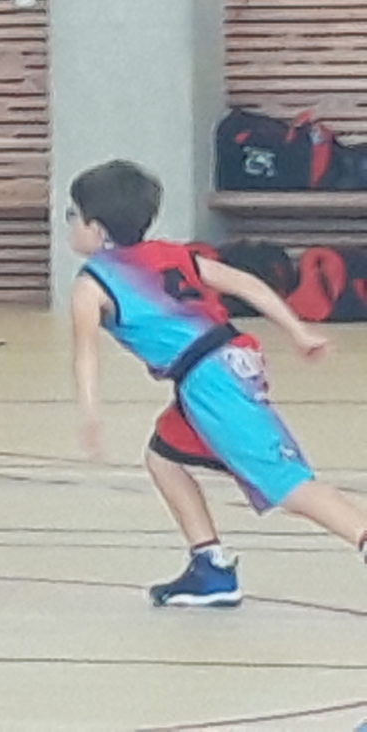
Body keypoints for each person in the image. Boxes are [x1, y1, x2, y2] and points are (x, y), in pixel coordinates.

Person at [67, 159, 367, 608]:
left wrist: (91, 414)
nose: (69, 225)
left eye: (72, 215)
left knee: (287, 482)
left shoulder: (91, 285)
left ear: (96, 228)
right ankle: (210, 566)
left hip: (211, 380)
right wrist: (296, 330)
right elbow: (245, 283)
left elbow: (85, 354)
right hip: (225, 361)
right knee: (163, 456)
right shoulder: (172, 254)